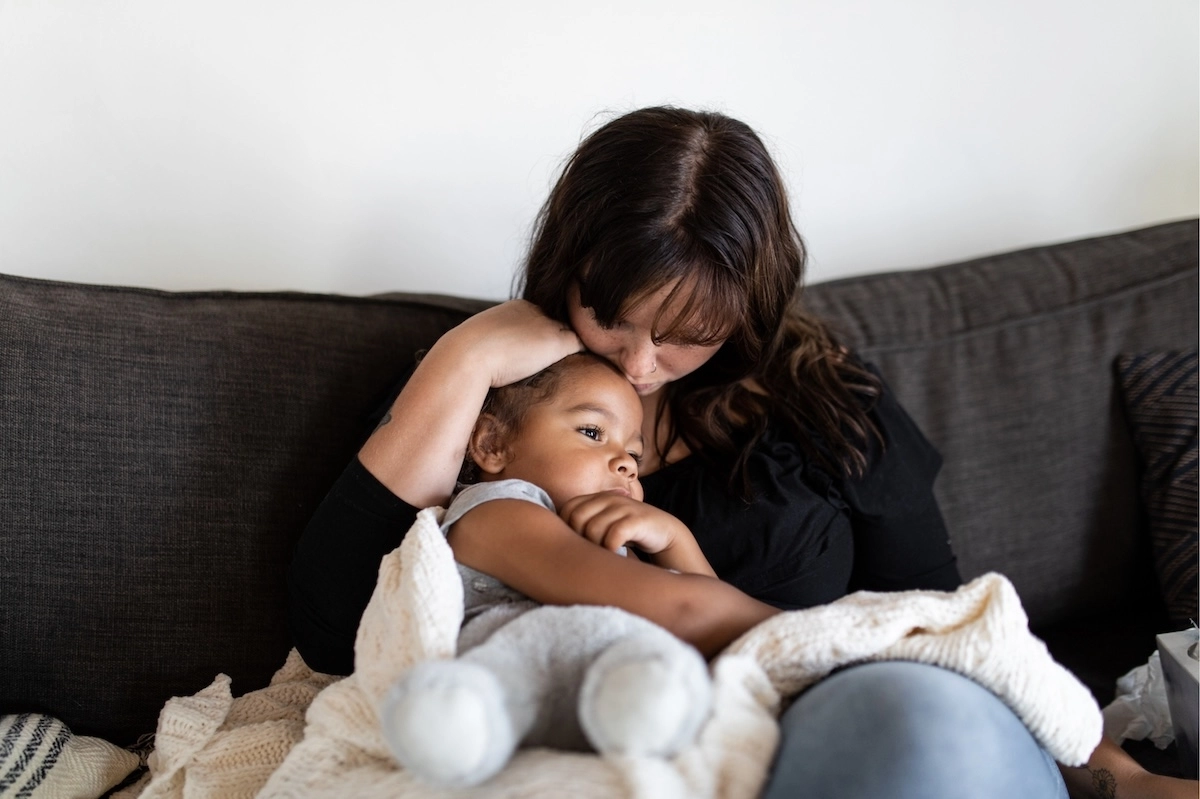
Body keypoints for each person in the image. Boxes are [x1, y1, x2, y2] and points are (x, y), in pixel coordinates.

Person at [288, 107, 1194, 798]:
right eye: (611, 316)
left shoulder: (826, 399)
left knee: (917, 721)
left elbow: (934, 613)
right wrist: (469, 354)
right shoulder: (500, 404)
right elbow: (342, 624)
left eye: (688, 336)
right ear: (568, 268)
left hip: (856, 713)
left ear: (744, 314)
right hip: (673, 745)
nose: (639, 366)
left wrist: (1118, 771)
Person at [380, 351, 766, 786]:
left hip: (619, 707)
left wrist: (676, 538)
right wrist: (794, 629)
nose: (625, 463)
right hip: (517, 711)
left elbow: (716, 635)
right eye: (592, 431)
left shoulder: (601, 537)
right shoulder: (498, 515)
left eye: (634, 456)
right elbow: (683, 611)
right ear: (493, 444)